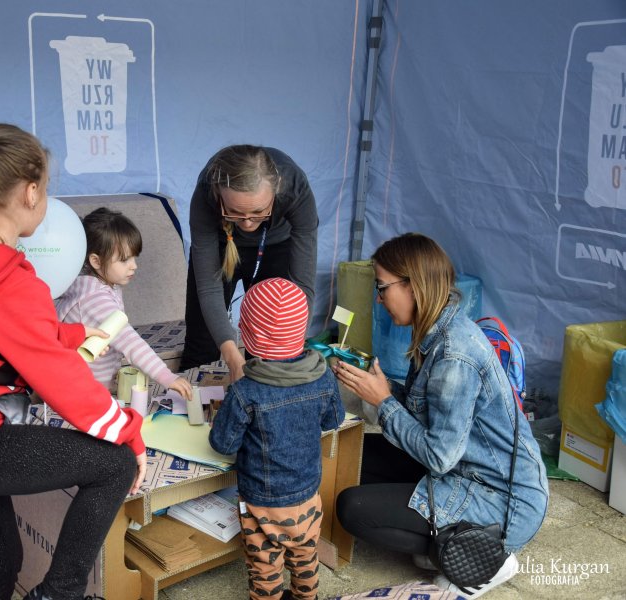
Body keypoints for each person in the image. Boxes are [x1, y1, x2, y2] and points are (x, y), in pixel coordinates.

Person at [0, 124, 146, 600]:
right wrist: (129, 429)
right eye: (47, 187)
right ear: (32, 191)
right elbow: (62, 381)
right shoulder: (11, 282)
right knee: (115, 464)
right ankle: (59, 593)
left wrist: (69, 333)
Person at [333, 233, 548, 599]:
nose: (379, 298)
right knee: (354, 457)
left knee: (352, 507)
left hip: (499, 499)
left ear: (413, 286)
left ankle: (483, 556)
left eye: (382, 288)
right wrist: (380, 390)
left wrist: (383, 402)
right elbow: (432, 413)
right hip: (466, 467)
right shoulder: (438, 329)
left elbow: (440, 455)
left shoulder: (453, 354)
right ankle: (442, 538)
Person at [209, 277, 345, 600]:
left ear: (249, 336)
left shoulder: (245, 391)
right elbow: (334, 419)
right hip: (308, 496)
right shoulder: (322, 374)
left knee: (265, 570)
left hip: (262, 504)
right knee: (305, 562)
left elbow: (223, 444)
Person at [179, 145, 319, 382]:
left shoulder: (295, 187)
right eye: (235, 212)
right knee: (202, 339)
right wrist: (232, 356)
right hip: (223, 245)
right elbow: (209, 288)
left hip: (276, 245)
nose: (247, 224)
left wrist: (289, 344)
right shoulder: (205, 191)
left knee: (272, 336)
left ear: (276, 194)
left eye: (258, 212)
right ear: (219, 195)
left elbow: (302, 286)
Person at [56, 207, 193, 400]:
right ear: (96, 261)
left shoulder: (99, 286)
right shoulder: (95, 300)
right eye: (124, 260)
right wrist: (167, 377)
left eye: (134, 257)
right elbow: (130, 342)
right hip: (78, 391)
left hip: (85, 386)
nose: (134, 266)